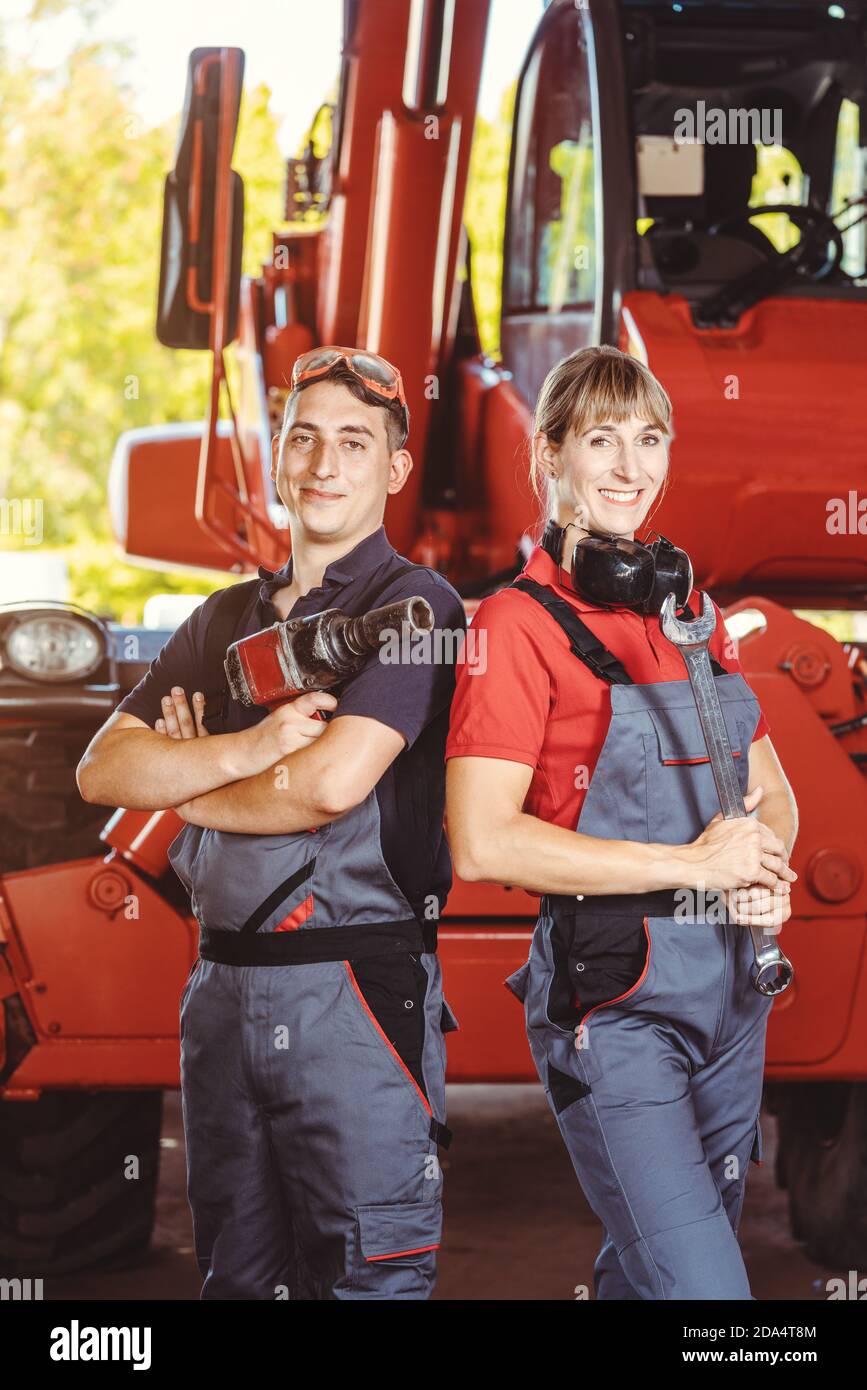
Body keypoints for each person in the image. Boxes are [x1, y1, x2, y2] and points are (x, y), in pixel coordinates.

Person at [77, 347, 466, 1300]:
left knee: (366, 1278)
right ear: (278, 460)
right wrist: (250, 753)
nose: (324, 464)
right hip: (219, 993)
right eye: (303, 439)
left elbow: (330, 785)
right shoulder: (223, 621)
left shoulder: (414, 607)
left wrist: (183, 780)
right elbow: (102, 770)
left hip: (356, 991)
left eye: (353, 441)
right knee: (239, 1280)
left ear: (394, 468)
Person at [445, 344, 798, 1301]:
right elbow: (483, 841)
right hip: (616, 995)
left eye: (649, 440)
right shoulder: (514, 628)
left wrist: (765, 867)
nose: (630, 468)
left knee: (651, 1276)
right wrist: (694, 861)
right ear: (548, 455)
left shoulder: (690, 614)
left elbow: (772, 790)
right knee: (707, 1296)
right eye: (602, 440)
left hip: (730, 988)